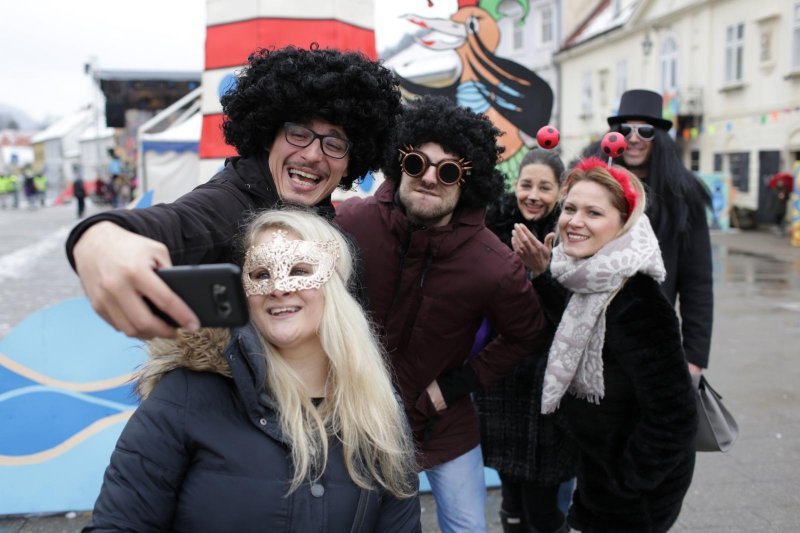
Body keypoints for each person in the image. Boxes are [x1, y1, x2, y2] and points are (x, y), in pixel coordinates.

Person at [85, 209, 421, 532]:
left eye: (300, 270)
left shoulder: (379, 409)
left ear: (335, 285)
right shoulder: (184, 396)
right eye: (261, 274)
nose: (278, 288)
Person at [65, 45, 402, 339]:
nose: (313, 155)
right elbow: (182, 224)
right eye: (298, 133)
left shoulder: (335, 231)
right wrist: (98, 238)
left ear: (350, 161)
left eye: (334, 143)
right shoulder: (231, 201)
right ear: (269, 136)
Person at [335, 96, 549, 532]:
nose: (430, 178)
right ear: (400, 163)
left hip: (445, 427)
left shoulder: (494, 262)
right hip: (357, 422)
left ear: (467, 182)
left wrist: (455, 385)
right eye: (417, 163)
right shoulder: (349, 223)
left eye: (448, 170)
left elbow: (527, 334)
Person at [533, 158, 697, 532]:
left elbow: (675, 418)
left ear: (623, 224)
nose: (575, 221)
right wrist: (543, 278)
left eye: (593, 212)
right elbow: (573, 323)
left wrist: (626, 482)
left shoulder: (638, 300)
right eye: (570, 208)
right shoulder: (584, 279)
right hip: (598, 474)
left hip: (631, 497)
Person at [474, 148, 576, 533]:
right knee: (512, 499)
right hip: (503, 379)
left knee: (545, 508)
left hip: (549, 386)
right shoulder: (491, 227)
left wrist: (544, 272)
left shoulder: (571, 233)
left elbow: (572, 315)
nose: (533, 195)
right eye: (526, 184)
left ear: (560, 191)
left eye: (544, 187)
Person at [607, 89, 713, 375]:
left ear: (660, 139)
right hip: (598, 336)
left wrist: (694, 357)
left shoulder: (684, 195)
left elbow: (697, 282)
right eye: (626, 129)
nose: (633, 138)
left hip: (655, 340)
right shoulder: (597, 185)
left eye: (645, 131)